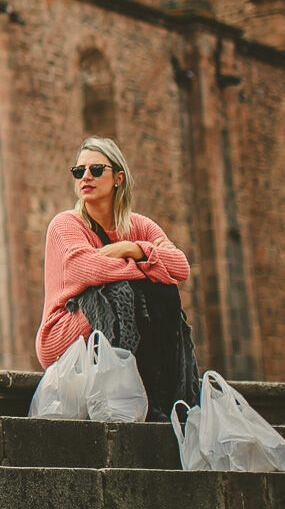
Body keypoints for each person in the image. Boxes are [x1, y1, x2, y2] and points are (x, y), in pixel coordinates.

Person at [36, 136, 201, 420]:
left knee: (164, 293)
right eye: (79, 171)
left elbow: (181, 268)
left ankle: (159, 400)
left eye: (96, 170)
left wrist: (132, 248)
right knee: (123, 291)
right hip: (64, 332)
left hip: (111, 326)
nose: (86, 177)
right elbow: (86, 268)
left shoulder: (139, 225)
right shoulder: (65, 225)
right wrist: (149, 265)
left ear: (118, 178)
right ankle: (140, 401)